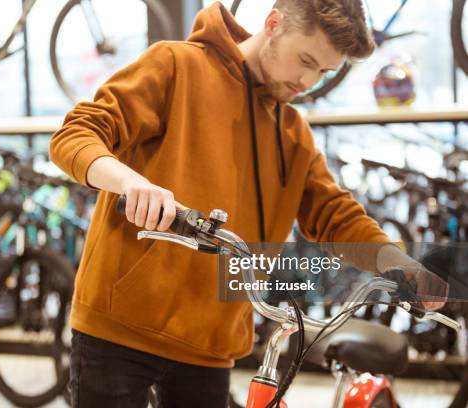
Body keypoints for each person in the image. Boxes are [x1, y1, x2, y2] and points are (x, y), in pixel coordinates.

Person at [50, 1, 448, 406]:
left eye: (323, 72)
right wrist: (130, 183)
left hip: (210, 346)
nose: (307, 80)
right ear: (273, 24)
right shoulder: (175, 66)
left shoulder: (292, 133)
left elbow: (335, 216)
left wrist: (400, 264)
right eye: (305, 60)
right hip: (121, 331)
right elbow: (76, 134)